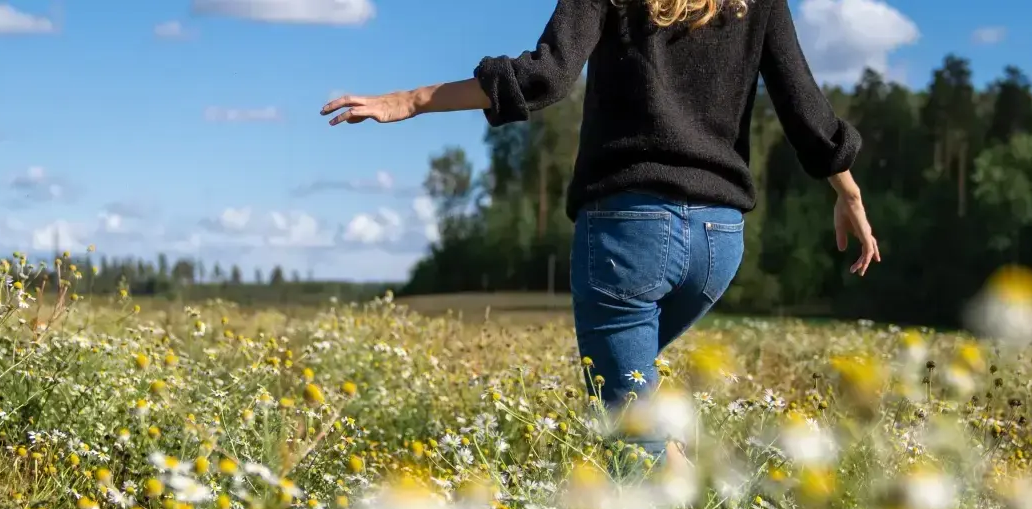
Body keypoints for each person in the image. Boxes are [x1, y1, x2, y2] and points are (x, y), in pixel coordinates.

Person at [322, 0, 881, 470]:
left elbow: (547, 75)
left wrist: (412, 100)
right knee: (629, 397)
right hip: (719, 241)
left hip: (628, 235)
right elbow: (802, 101)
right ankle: (674, 470)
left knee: (631, 439)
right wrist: (848, 193)